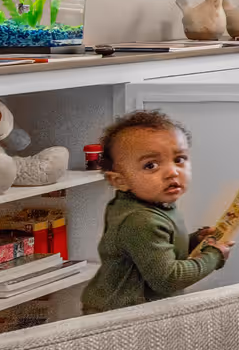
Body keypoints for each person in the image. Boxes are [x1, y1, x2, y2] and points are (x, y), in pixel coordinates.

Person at [80, 110, 231, 313]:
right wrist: (213, 256)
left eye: (179, 159)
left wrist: (194, 241)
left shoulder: (154, 204)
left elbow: (155, 251)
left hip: (138, 313)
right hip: (119, 318)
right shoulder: (140, 220)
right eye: (151, 165)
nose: (172, 172)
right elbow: (169, 279)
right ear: (120, 181)